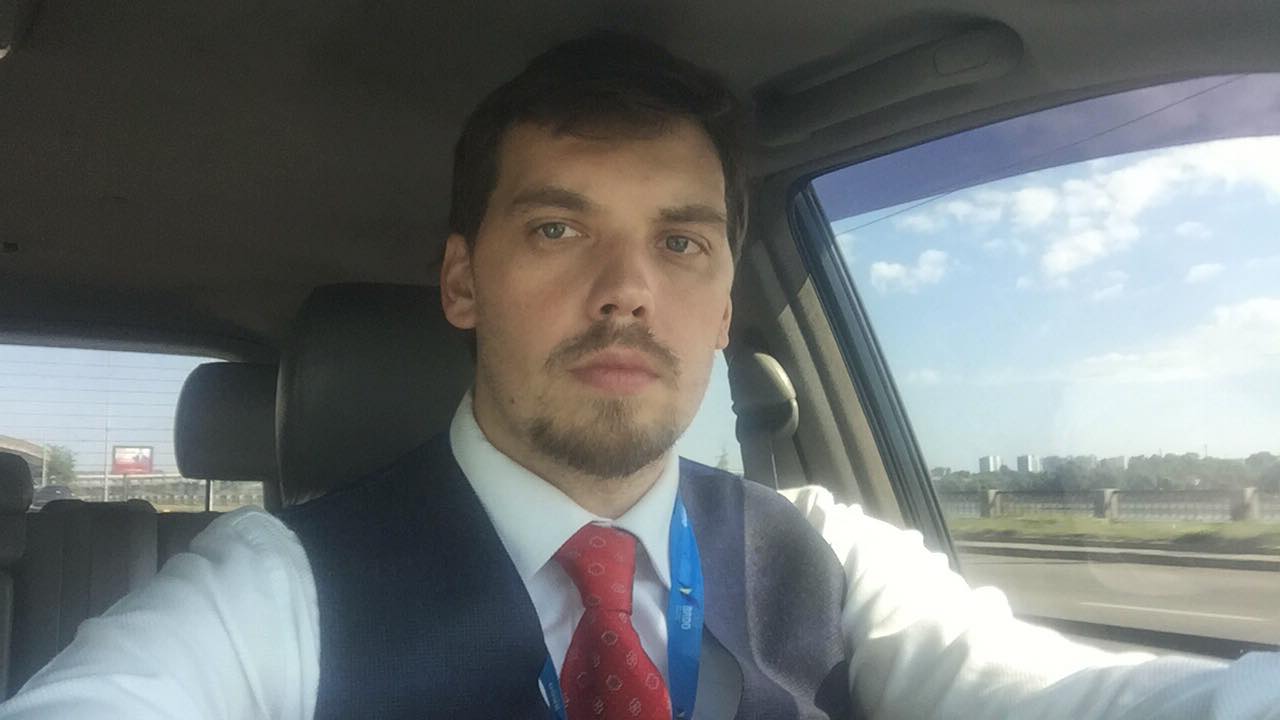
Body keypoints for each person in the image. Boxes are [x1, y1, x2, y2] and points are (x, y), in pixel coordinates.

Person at [0, 33, 1275, 720]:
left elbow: (1067, 696)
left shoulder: (826, 558)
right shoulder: (280, 583)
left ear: (721, 310)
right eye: (558, 229)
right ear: (461, 282)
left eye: (680, 244)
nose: (625, 290)